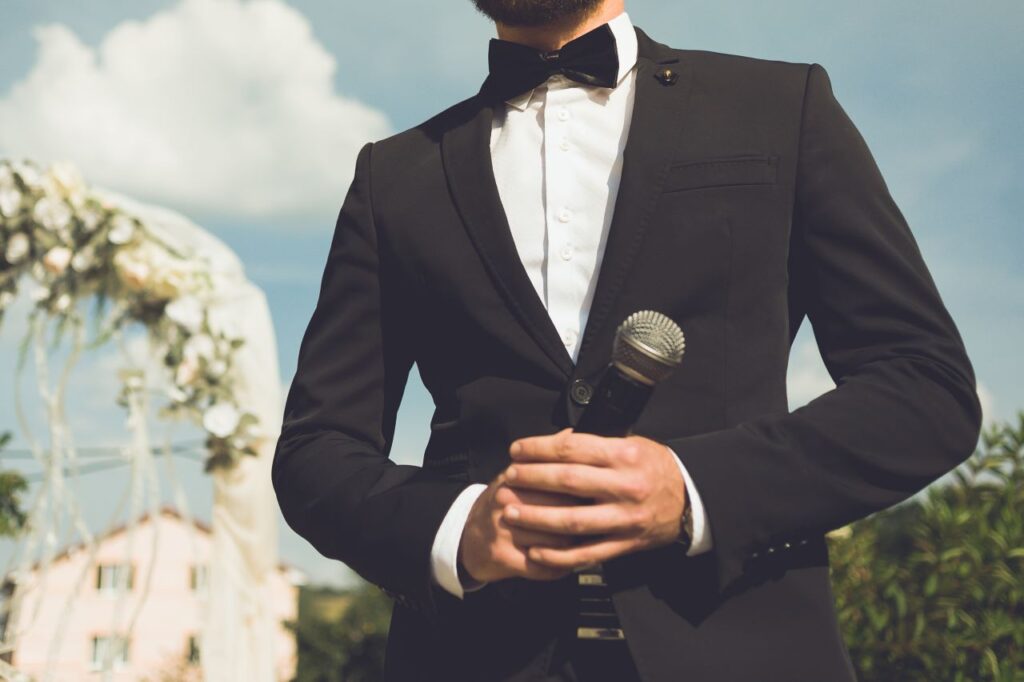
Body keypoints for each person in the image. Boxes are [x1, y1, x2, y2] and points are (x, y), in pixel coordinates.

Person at [272, 1, 983, 680]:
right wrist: (458, 529)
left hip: (742, 651)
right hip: (475, 658)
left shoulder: (780, 107)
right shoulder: (391, 177)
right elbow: (315, 451)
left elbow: (924, 386)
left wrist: (693, 488)